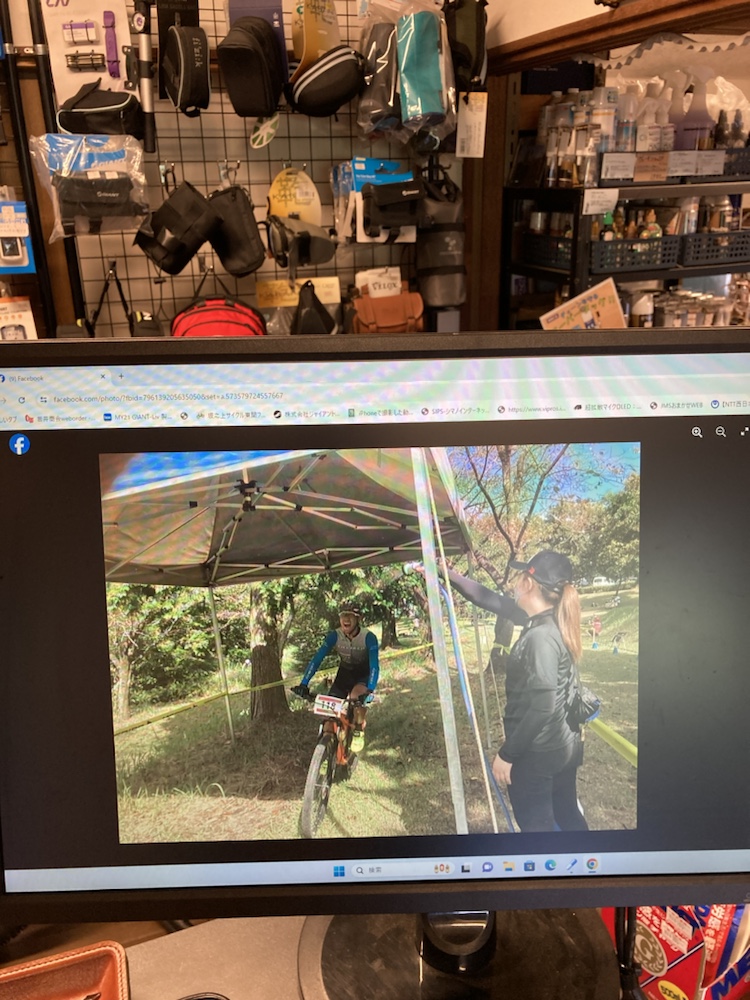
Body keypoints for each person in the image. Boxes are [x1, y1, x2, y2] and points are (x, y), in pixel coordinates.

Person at [445, 551, 589, 833]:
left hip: (538, 754)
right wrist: (445, 572)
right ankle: (587, 860)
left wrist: (507, 755)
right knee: (568, 817)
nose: (514, 582)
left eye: (520, 575)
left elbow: (543, 705)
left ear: (529, 583)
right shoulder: (544, 619)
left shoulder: (541, 637)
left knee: (537, 830)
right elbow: (488, 598)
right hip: (562, 747)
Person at [291, 603, 379, 754]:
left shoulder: (369, 637)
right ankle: (326, 753)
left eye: (350, 616)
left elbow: (374, 666)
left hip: (363, 675)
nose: (346, 619)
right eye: (343, 615)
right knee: (329, 719)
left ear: (358, 619)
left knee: (356, 698)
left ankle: (358, 729)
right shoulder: (335, 636)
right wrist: (304, 684)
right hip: (344, 674)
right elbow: (317, 659)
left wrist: (370, 690)